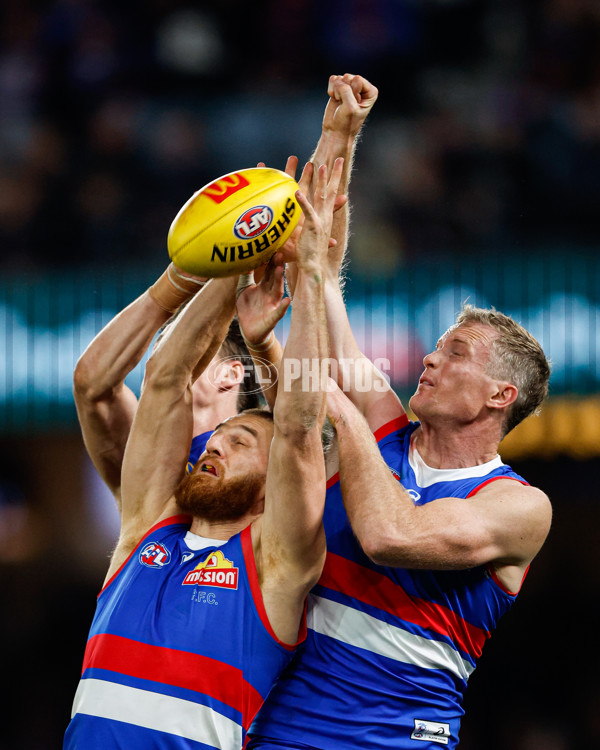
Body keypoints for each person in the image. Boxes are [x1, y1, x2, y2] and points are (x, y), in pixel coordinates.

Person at [246, 77, 553, 749]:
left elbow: (393, 535)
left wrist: (337, 404)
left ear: (503, 395)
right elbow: (322, 276)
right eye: (436, 348)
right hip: (278, 727)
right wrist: (341, 137)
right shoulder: (385, 427)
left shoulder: (519, 506)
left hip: (392, 739)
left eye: (457, 353)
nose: (431, 361)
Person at [63, 158, 344, 749]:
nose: (211, 447)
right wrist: (233, 258)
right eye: (216, 442)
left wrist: (313, 271)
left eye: (240, 442)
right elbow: (164, 376)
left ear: (276, 485)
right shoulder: (149, 527)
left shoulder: (277, 563)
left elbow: (298, 425)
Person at [72, 262, 260, 509]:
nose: (163, 361)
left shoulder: (266, 459)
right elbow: (91, 385)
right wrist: (172, 286)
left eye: (187, 351)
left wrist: (248, 257)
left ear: (229, 373)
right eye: (158, 354)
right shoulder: (142, 457)